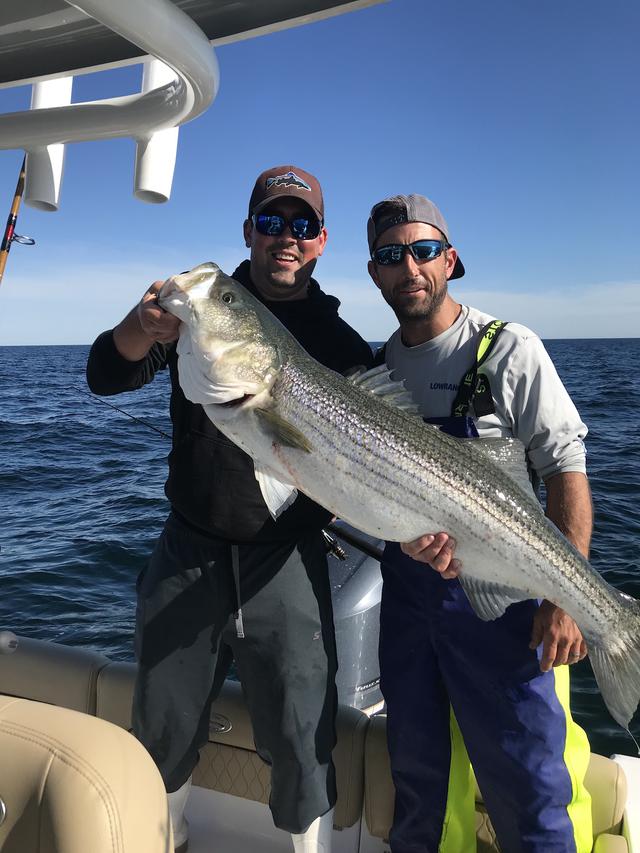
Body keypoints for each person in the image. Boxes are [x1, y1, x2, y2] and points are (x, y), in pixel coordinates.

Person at [86, 165, 373, 853]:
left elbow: (370, 457)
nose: (285, 238)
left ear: (321, 241)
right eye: (271, 222)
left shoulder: (341, 344)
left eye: (301, 225)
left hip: (289, 566)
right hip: (188, 555)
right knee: (162, 728)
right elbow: (104, 372)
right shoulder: (206, 311)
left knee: (304, 739)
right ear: (248, 230)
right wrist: (141, 324)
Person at [366, 193, 594, 853]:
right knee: (419, 786)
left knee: (530, 790)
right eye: (390, 255)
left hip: (511, 609)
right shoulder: (379, 370)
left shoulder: (508, 348)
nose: (409, 266)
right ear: (376, 273)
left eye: (423, 249)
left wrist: (565, 595)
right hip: (409, 603)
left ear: (451, 259)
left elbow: (566, 471)